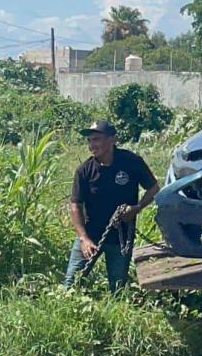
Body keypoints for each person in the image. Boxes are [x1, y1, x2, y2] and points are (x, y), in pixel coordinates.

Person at [63, 119, 160, 291]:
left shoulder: (131, 162)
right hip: (90, 235)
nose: (92, 145)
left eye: (97, 139)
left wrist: (137, 208)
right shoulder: (84, 170)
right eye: (89, 140)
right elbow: (75, 205)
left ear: (112, 140)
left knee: (118, 289)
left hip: (120, 237)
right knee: (71, 284)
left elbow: (153, 188)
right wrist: (83, 238)